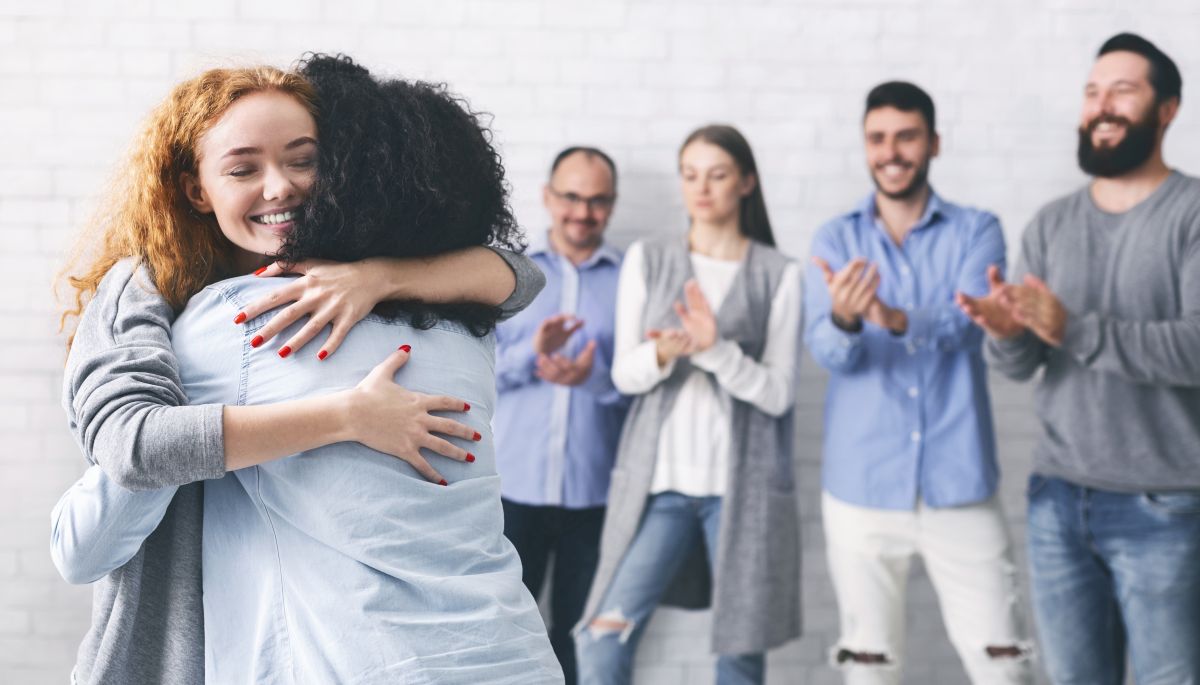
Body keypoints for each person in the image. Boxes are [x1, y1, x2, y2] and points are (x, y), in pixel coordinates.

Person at [51, 59, 549, 685]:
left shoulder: (337, 286)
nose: (280, 186)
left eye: (303, 159)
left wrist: (379, 278)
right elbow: (128, 452)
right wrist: (347, 416)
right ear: (195, 188)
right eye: (243, 168)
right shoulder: (164, 298)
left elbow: (520, 277)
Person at [958, 33, 1200, 684]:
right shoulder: (1050, 223)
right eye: (1092, 93)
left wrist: (1075, 328)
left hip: (1166, 506)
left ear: (1168, 108)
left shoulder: (1193, 213)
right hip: (1058, 499)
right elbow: (1022, 367)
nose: (1101, 106)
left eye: (1123, 90)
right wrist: (1007, 332)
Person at [805, 81, 1032, 685]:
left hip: (959, 484)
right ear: (865, 145)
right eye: (878, 138)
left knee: (1005, 665)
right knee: (870, 671)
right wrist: (849, 319)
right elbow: (826, 351)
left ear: (933, 142)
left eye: (906, 136)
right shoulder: (834, 239)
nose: (891, 151)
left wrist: (896, 317)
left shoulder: (977, 229)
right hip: (862, 493)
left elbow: (971, 321)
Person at [575, 125, 802, 685]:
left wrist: (715, 350)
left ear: (746, 182)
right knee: (602, 635)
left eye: (718, 174)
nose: (701, 188)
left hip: (743, 493)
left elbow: (778, 395)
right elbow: (625, 376)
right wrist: (663, 352)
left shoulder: (780, 274)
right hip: (663, 489)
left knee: (741, 653)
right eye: (691, 174)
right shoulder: (650, 260)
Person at [494, 146, 628, 684]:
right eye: (571, 197)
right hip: (512, 490)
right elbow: (475, 372)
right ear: (549, 198)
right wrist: (533, 358)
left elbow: (641, 389)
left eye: (597, 201)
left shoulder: (630, 279)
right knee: (507, 633)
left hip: (594, 498)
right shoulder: (508, 276)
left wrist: (592, 378)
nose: (582, 212)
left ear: (611, 205)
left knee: (579, 636)